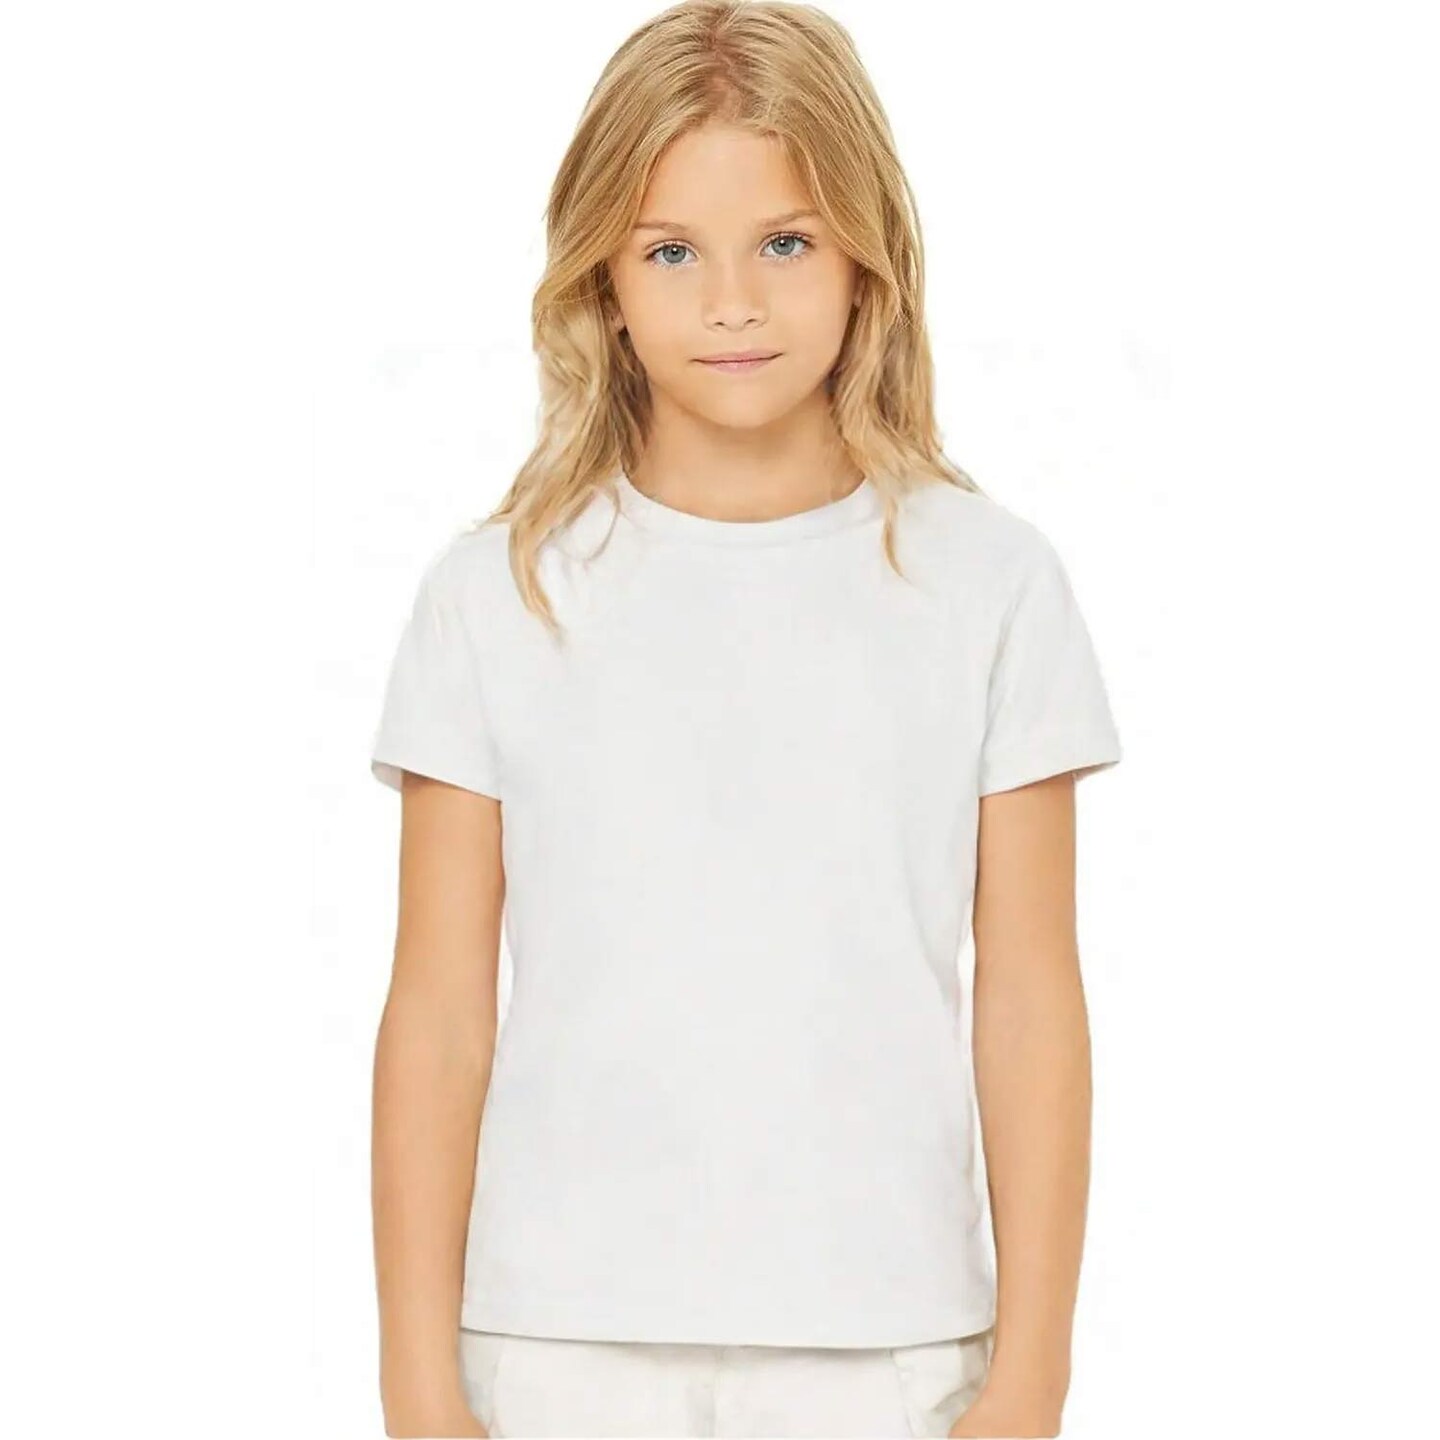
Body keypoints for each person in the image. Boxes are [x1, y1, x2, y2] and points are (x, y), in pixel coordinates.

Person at [367, 2, 1122, 1435]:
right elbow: (440, 1012)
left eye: (785, 243)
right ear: (603, 276)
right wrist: (416, 1383)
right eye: (672, 251)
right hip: (552, 1347)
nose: (732, 303)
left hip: (893, 1349)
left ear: (866, 259)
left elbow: (1031, 998)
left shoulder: (990, 583)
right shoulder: (496, 595)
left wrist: (1033, 1375)